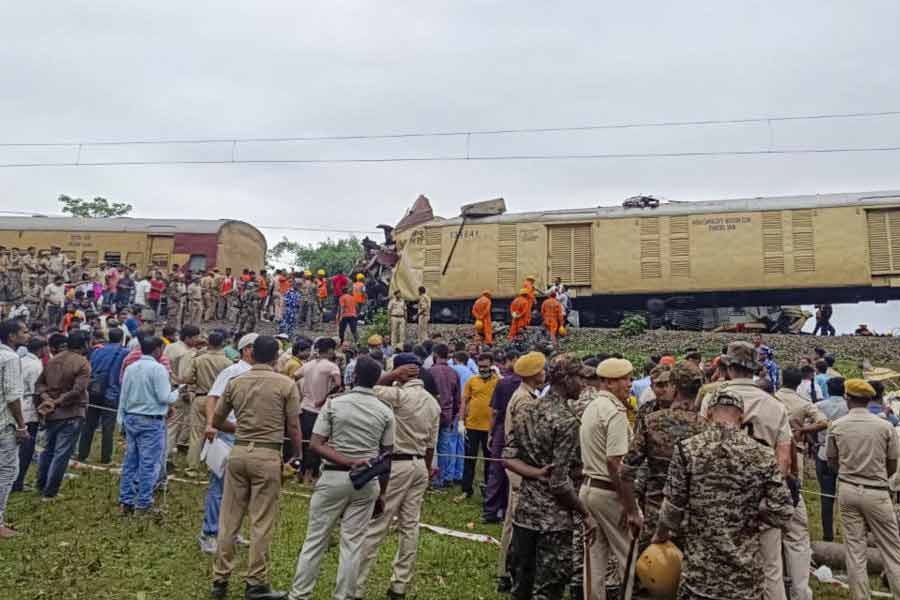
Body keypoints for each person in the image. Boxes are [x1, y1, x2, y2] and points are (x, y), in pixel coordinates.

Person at [653, 388, 794, 599]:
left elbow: (672, 508)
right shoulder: (762, 454)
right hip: (744, 577)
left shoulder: (688, 449)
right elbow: (783, 512)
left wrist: (660, 536)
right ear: (742, 416)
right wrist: (754, 514)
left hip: (700, 575)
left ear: (709, 413)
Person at [287, 356, 395, 600]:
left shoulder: (335, 404)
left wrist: (345, 460)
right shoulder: (385, 410)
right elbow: (388, 456)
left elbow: (315, 444)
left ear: (354, 377)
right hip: (367, 482)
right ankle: (344, 595)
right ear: (376, 380)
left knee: (315, 540)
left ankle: (299, 595)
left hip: (333, 478)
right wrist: (383, 493)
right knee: (353, 544)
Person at [211, 336, 303, 600]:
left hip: (238, 451)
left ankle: (220, 579)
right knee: (261, 521)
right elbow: (293, 425)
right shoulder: (286, 384)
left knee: (229, 518)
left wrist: (242, 429)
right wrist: (297, 454)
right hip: (268, 454)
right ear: (275, 357)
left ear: (251, 354)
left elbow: (217, 420)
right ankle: (256, 583)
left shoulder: (236, 382)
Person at [699, 341, 793, 600]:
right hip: (762, 497)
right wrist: (770, 494)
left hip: (718, 496)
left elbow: (700, 446)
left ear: (728, 367)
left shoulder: (712, 399)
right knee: (771, 568)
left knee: (719, 568)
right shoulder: (775, 406)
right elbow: (783, 460)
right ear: (755, 369)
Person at [503, 353, 598, 600]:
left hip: (525, 514)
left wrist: (534, 472)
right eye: (579, 378)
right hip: (554, 522)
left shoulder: (527, 410)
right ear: (565, 380)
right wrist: (585, 514)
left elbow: (508, 457)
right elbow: (559, 482)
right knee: (549, 589)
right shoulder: (567, 422)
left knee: (521, 586)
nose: (583, 384)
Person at [353, 354, 441, 599]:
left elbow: (364, 387)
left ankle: (356, 587)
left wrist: (392, 375)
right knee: (410, 527)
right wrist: (424, 472)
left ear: (401, 372)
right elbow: (431, 445)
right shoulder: (432, 402)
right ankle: (400, 585)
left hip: (398, 465)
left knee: (377, 524)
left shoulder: (399, 396)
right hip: (419, 465)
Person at [620, 362, 706, 554]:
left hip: (656, 514)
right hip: (693, 519)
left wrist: (632, 511)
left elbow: (626, 471)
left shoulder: (652, 421)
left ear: (674, 387)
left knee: (648, 574)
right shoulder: (706, 427)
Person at [826, 378, 900, 599]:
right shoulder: (885, 426)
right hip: (877, 490)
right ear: (869, 399)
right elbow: (893, 463)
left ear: (848, 398)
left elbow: (832, 461)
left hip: (848, 489)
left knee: (855, 549)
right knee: (891, 549)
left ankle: (860, 596)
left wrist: (848, 472)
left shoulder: (837, 426)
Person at [579, 357, 642, 599]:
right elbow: (616, 463)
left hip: (589, 488)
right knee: (629, 555)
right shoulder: (614, 413)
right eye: (624, 379)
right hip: (609, 492)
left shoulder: (593, 406)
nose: (629, 383)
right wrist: (630, 508)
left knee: (594, 560)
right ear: (609, 383)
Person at [197, 332, 257, 555]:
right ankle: (209, 533)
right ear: (246, 350)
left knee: (241, 488)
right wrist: (212, 424)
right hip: (227, 434)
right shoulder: (232, 372)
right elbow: (213, 398)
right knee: (219, 487)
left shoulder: (259, 373)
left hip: (248, 436)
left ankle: (232, 529)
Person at [493, 351, 545, 592]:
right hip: (520, 465)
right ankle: (507, 571)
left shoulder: (525, 394)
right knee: (515, 521)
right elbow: (526, 438)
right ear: (535, 374)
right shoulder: (525, 400)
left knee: (512, 521)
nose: (544, 373)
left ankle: (506, 569)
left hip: (517, 464)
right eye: (542, 370)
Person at [774, 366, 827, 600]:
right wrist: (803, 430)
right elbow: (824, 422)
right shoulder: (803, 402)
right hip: (795, 456)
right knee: (796, 509)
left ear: (783, 379)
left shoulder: (771, 398)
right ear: (800, 383)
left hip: (771, 457)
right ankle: (799, 589)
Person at [116, 335, 179, 515]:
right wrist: (177, 393)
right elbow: (164, 397)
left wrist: (121, 419)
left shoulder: (131, 368)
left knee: (131, 461)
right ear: (158, 349)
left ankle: (125, 500)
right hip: (151, 421)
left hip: (131, 418)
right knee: (149, 463)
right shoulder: (158, 369)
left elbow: (124, 395)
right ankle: (143, 503)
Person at [34, 329, 91, 500]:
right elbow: (77, 390)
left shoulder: (53, 360)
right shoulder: (83, 363)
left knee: (48, 450)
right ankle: (50, 492)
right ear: (85, 344)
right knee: (61, 453)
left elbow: (39, 385)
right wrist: (57, 401)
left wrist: (48, 400)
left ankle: (41, 484)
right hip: (71, 413)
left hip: (51, 413)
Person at [294, 337, 342, 485]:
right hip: (319, 409)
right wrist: (324, 398)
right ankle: (309, 475)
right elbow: (338, 384)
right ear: (330, 350)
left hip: (304, 407)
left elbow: (294, 377)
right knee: (317, 444)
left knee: (304, 442)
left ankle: (300, 473)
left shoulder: (307, 365)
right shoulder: (332, 366)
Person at [77, 327, 128, 464]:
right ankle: (105, 458)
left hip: (93, 390)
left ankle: (82, 454)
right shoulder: (124, 352)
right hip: (111, 393)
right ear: (122, 338)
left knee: (89, 424)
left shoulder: (97, 351)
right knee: (108, 428)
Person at [184, 331, 233, 471]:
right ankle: (213, 465)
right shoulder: (228, 363)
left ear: (208, 343)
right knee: (217, 434)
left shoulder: (199, 359)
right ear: (223, 343)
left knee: (196, 434)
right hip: (219, 401)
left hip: (201, 397)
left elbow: (189, 378)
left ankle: (192, 467)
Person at [0, 319, 29, 537]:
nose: (27, 335)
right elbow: (12, 395)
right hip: (4, 423)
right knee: (8, 470)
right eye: (24, 332)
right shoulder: (10, 357)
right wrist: (21, 424)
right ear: (12, 336)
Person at [484, 349, 520, 524]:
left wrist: (490, 433)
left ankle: (490, 511)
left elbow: (495, 411)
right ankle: (506, 509)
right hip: (519, 433)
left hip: (500, 430)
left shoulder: (503, 384)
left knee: (496, 470)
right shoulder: (531, 386)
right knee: (513, 470)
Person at [458, 353, 499, 501]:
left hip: (490, 428)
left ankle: (488, 489)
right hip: (472, 425)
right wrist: (461, 421)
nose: (482, 369)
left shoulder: (498, 382)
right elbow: (464, 401)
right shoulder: (472, 381)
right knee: (469, 458)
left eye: (485, 366)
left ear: (491, 365)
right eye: (480, 366)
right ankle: (466, 489)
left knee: (489, 460)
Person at [813, 376, 847, 542]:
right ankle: (849, 533)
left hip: (824, 453)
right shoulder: (849, 408)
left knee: (826, 495)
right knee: (847, 496)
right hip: (845, 455)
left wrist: (814, 443)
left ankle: (828, 535)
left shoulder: (819, 406)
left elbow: (812, 427)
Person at [12, 336, 45, 493]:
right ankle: (17, 482)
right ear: (41, 349)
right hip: (29, 410)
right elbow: (36, 391)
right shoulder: (35, 365)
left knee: (13, 448)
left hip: (16, 407)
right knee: (26, 449)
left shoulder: (20, 360)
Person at [427, 342, 461, 489]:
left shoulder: (430, 372)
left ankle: (427, 477)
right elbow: (457, 398)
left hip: (431, 415)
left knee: (428, 446)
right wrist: (453, 416)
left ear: (435, 355)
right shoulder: (454, 373)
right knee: (444, 448)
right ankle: (443, 479)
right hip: (447, 414)